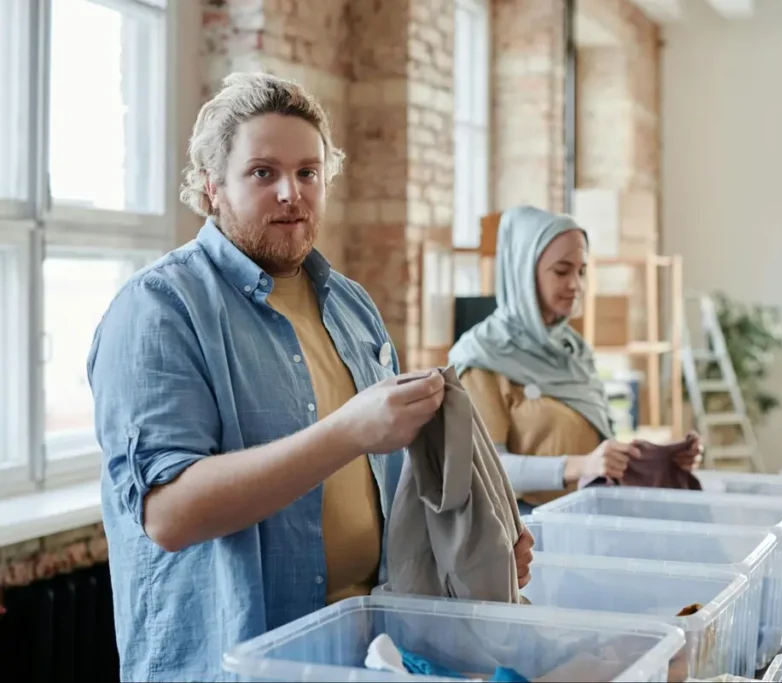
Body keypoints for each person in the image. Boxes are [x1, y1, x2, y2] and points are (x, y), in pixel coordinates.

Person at [87, 72, 533, 682]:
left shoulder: (353, 307)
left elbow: (397, 490)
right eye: (262, 172)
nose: (290, 193)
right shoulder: (159, 310)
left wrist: (483, 542)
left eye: (308, 172)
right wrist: (346, 433)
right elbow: (170, 515)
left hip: (369, 655)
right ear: (212, 187)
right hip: (235, 665)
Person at [448, 206, 703, 514]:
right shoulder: (481, 358)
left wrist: (655, 458)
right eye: (561, 271)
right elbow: (484, 468)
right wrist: (578, 466)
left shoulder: (572, 350)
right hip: (524, 536)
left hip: (584, 521)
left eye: (581, 271)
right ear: (523, 272)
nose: (576, 285)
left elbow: (593, 443)